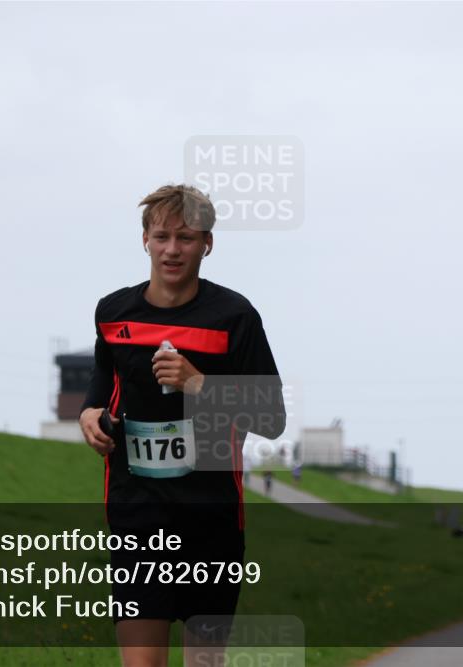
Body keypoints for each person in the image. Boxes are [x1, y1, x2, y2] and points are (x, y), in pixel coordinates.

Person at [78, 184, 286, 667]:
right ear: (145, 240)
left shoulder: (234, 317)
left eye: (187, 238)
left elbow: (271, 418)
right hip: (137, 521)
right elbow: (103, 382)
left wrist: (199, 384)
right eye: (163, 236)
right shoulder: (113, 314)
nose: (173, 250)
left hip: (210, 521)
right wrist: (89, 415)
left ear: (207, 244)